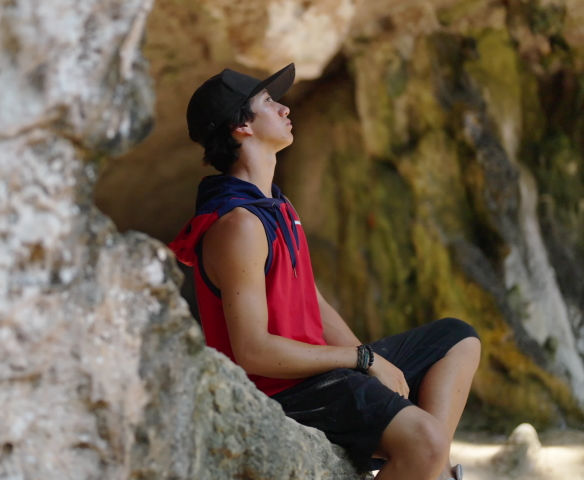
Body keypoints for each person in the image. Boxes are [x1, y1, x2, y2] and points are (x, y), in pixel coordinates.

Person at [168, 63, 481, 480]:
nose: (284, 109)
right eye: (267, 102)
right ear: (240, 127)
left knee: (457, 339)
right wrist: (362, 359)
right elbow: (253, 351)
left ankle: (432, 471)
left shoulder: (276, 206)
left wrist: (370, 366)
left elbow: (309, 297)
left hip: (319, 372)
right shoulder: (238, 224)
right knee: (425, 440)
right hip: (282, 390)